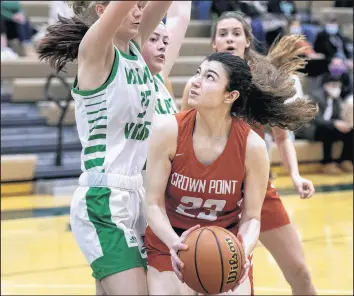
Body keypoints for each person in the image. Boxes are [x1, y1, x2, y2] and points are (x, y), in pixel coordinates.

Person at [144, 52, 317, 295]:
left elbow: (252, 218)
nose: (196, 81)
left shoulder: (251, 147)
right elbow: (152, 204)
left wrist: (241, 252)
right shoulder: (168, 131)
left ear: (231, 95)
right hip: (169, 238)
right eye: (198, 73)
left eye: (209, 77)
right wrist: (176, 244)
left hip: (225, 240)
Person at [36, 1, 173, 295]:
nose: (139, 11)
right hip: (103, 200)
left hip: (137, 194)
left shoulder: (134, 46)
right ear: (102, 11)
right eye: (133, 6)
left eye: (141, 6)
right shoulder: (95, 51)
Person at [181, 12, 317, 295]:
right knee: (230, 281)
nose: (229, 38)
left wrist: (294, 174)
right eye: (222, 33)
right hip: (215, 192)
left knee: (301, 273)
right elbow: (182, 137)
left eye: (235, 33)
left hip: (257, 189)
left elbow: (281, 135)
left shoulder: (263, 83)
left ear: (246, 40)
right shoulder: (199, 86)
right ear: (214, 42)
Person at [296, 73, 353, 174]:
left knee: (350, 131)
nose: (336, 88)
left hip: (328, 128)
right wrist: (334, 123)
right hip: (312, 129)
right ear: (326, 85)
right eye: (333, 85)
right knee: (329, 129)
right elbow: (315, 119)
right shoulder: (314, 97)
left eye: (338, 86)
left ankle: (345, 160)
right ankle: (327, 163)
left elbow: (338, 118)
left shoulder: (337, 100)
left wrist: (343, 124)